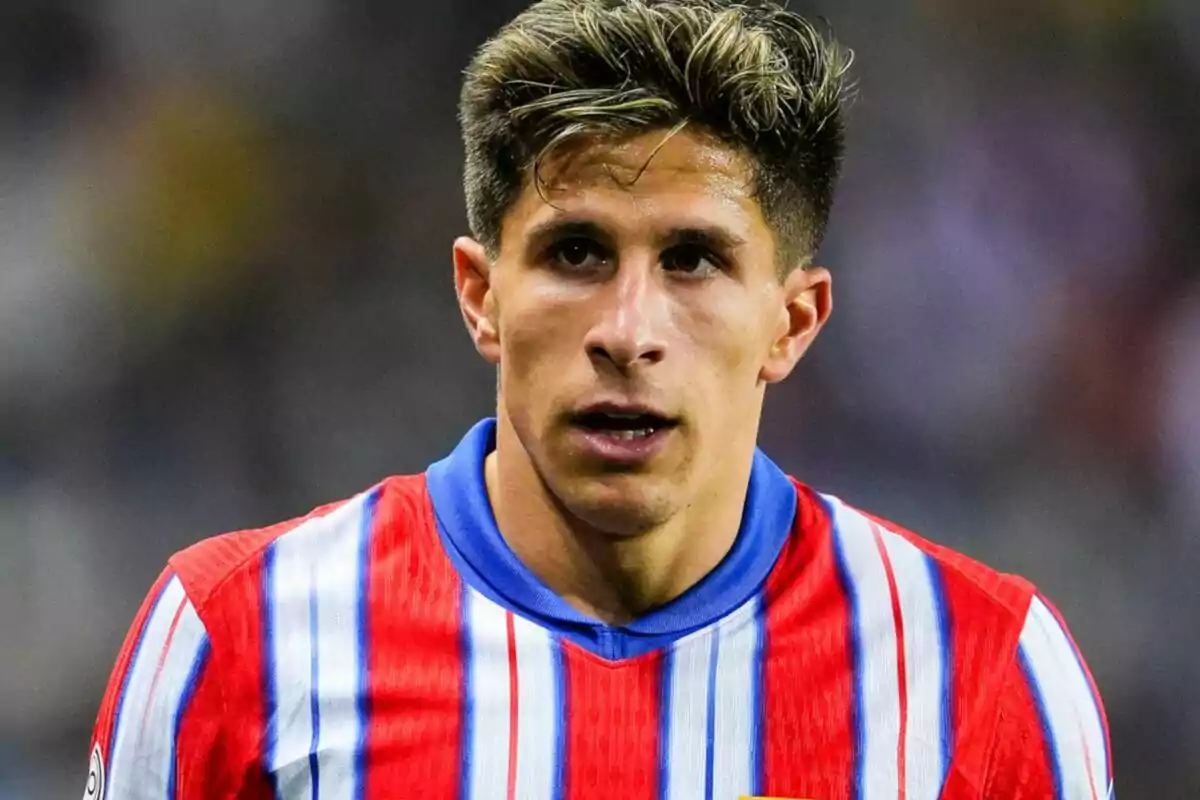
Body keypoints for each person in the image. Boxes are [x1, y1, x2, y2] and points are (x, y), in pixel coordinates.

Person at [84, 1, 1112, 798]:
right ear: (481, 296)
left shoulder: (983, 670)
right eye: (576, 252)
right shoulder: (235, 635)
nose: (629, 329)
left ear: (792, 322)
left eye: (694, 259)